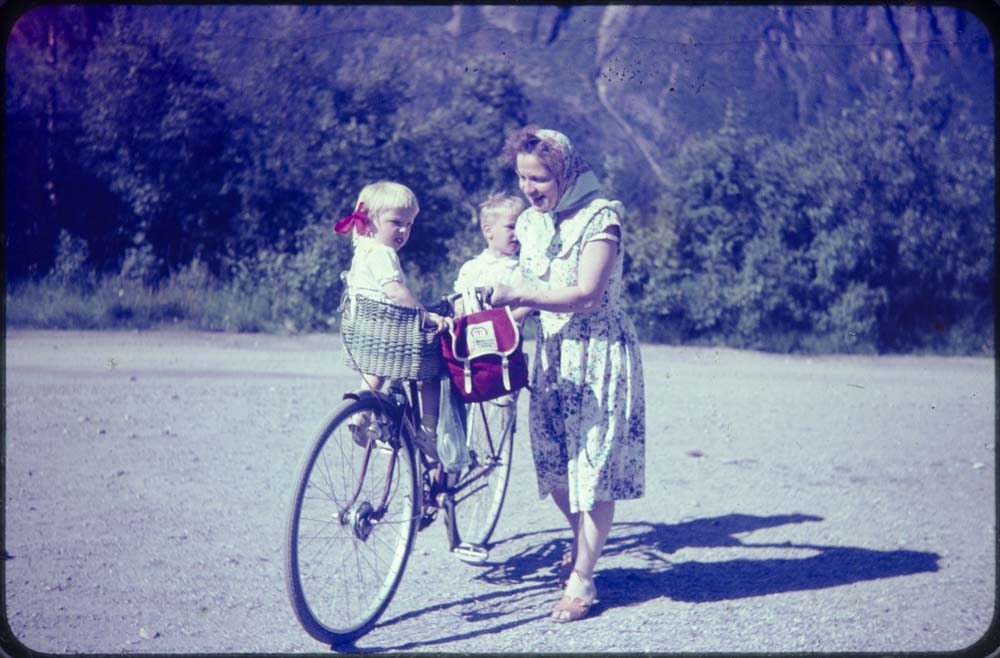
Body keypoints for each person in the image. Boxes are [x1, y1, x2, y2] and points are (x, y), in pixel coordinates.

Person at [489, 127, 646, 623]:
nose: (531, 188)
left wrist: (523, 298)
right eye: (522, 178)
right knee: (555, 467)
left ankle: (583, 577)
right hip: (553, 357)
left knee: (593, 472)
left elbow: (586, 295)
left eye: (540, 177)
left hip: (598, 354)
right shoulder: (533, 223)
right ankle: (584, 545)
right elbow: (534, 285)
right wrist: (495, 325)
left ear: (567, 171)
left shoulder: (602, 217)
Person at [334, 180, 450, 456]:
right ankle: (428, 433)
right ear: (369, 219)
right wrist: (425, 314)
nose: (403, 231)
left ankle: (361, 414)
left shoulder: (362, 247)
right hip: (392, 328)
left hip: (366, 328)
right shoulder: (383, 253)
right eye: (396, 222)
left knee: (377, 368)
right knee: (432, 374)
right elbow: (394, 291)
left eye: (409, 225)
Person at [453, 192, 526, 302]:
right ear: (488, 230)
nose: (518, 233)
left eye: (522, 227)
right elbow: (460, 305)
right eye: (511, 227)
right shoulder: (471, 269)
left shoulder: (523, 269)